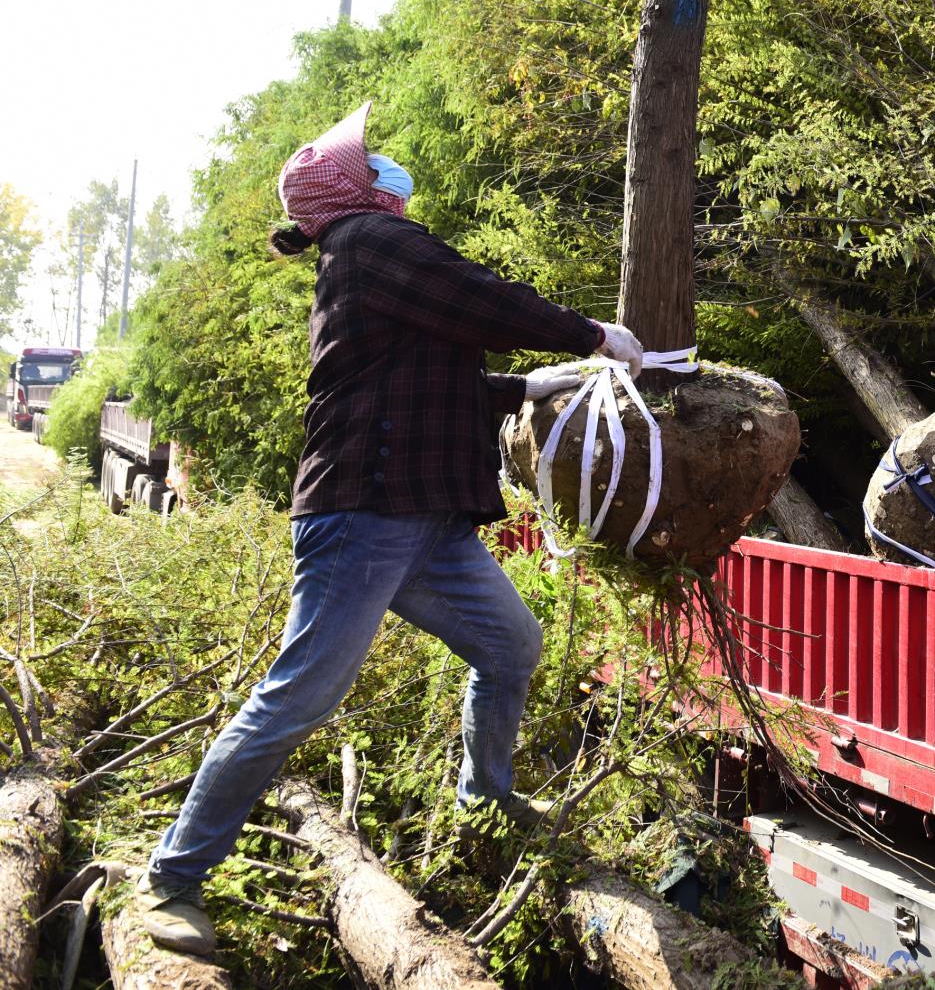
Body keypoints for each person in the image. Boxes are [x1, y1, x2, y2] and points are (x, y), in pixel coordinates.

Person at [133, 103, 644, 954]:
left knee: (510, 645)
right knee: (299, 695)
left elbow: (429, 378)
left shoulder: (365, 263)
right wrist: (592, 334)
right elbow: (477, 297)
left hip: (425, 519)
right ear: (351, 192)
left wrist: (533, 383)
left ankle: (486, 796)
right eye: (374, 166)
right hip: (365, 514)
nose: (389, 174)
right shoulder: (371, 244)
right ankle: (172, 880)